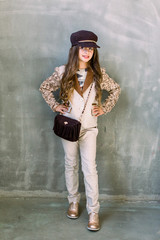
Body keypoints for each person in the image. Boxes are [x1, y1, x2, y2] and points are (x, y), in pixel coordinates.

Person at [39, 30, 121, 231]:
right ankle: (73, 202)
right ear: (75, 49)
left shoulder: (99, 73)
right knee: (70, 164)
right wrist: (55, 106)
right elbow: (44, 87)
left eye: (91, 48)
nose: (87, 51)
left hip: (90, 128)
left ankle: (94, 212)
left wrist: (104, 107)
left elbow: (116, 89)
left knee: (90, 169)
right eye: (83, 47)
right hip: (68, 126)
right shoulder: (63, 71)